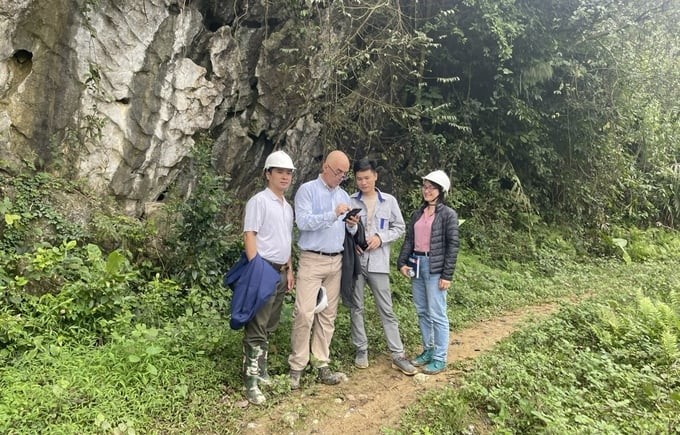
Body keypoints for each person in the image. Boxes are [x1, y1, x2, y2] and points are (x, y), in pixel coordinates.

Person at [288, 150, 359, 389]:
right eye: (338, 171)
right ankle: (297, 365)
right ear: (326, 167)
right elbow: (303, 223)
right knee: (304, 312)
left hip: (336, 260)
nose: (341, 177)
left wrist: (351, 225)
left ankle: (321, 363)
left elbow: (347, 232)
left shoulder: (344, 196)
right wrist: (332, 214)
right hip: (312, 258)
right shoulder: (307, 190)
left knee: (328, 315)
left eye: (345, 174)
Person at [348, 159, 417, 375]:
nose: (363, 182)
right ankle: (361, 350)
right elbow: (342, 228)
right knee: (356, 307)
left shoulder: (389, 201)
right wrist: (353, 241)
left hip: (379, 263)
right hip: (357, 264)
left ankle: (397, 354)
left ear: (375, 176)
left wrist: (381, 237)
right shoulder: (349, 200)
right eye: (359, 178)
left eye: (367, 178)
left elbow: (400, 227)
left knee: (386, 309)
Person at [240, 150, 296, 405]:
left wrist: (290, 268)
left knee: (269, 325)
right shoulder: (259, 201)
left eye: (289, 173)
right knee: (256, 325)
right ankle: (250, 381)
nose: (285, 177)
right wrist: (255, 269)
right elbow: (250, 235)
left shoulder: (287, 207)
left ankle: (261, 372)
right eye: (280, 172)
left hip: (281, 272)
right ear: (268, 174)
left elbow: (286, 239)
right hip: (263, 270)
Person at [396, 170, 459, 375]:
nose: (427, 191)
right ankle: (428, 349)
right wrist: (402, 262)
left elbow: (452, 246)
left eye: (432, 187)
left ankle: (440, 357)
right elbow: (409, 241)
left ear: (441, 191)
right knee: (422, 310)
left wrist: (446, 275)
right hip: (417, 264)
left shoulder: (448, 215)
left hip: (435, 266)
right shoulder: (417, 213)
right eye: (425, 187)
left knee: (437, 314)